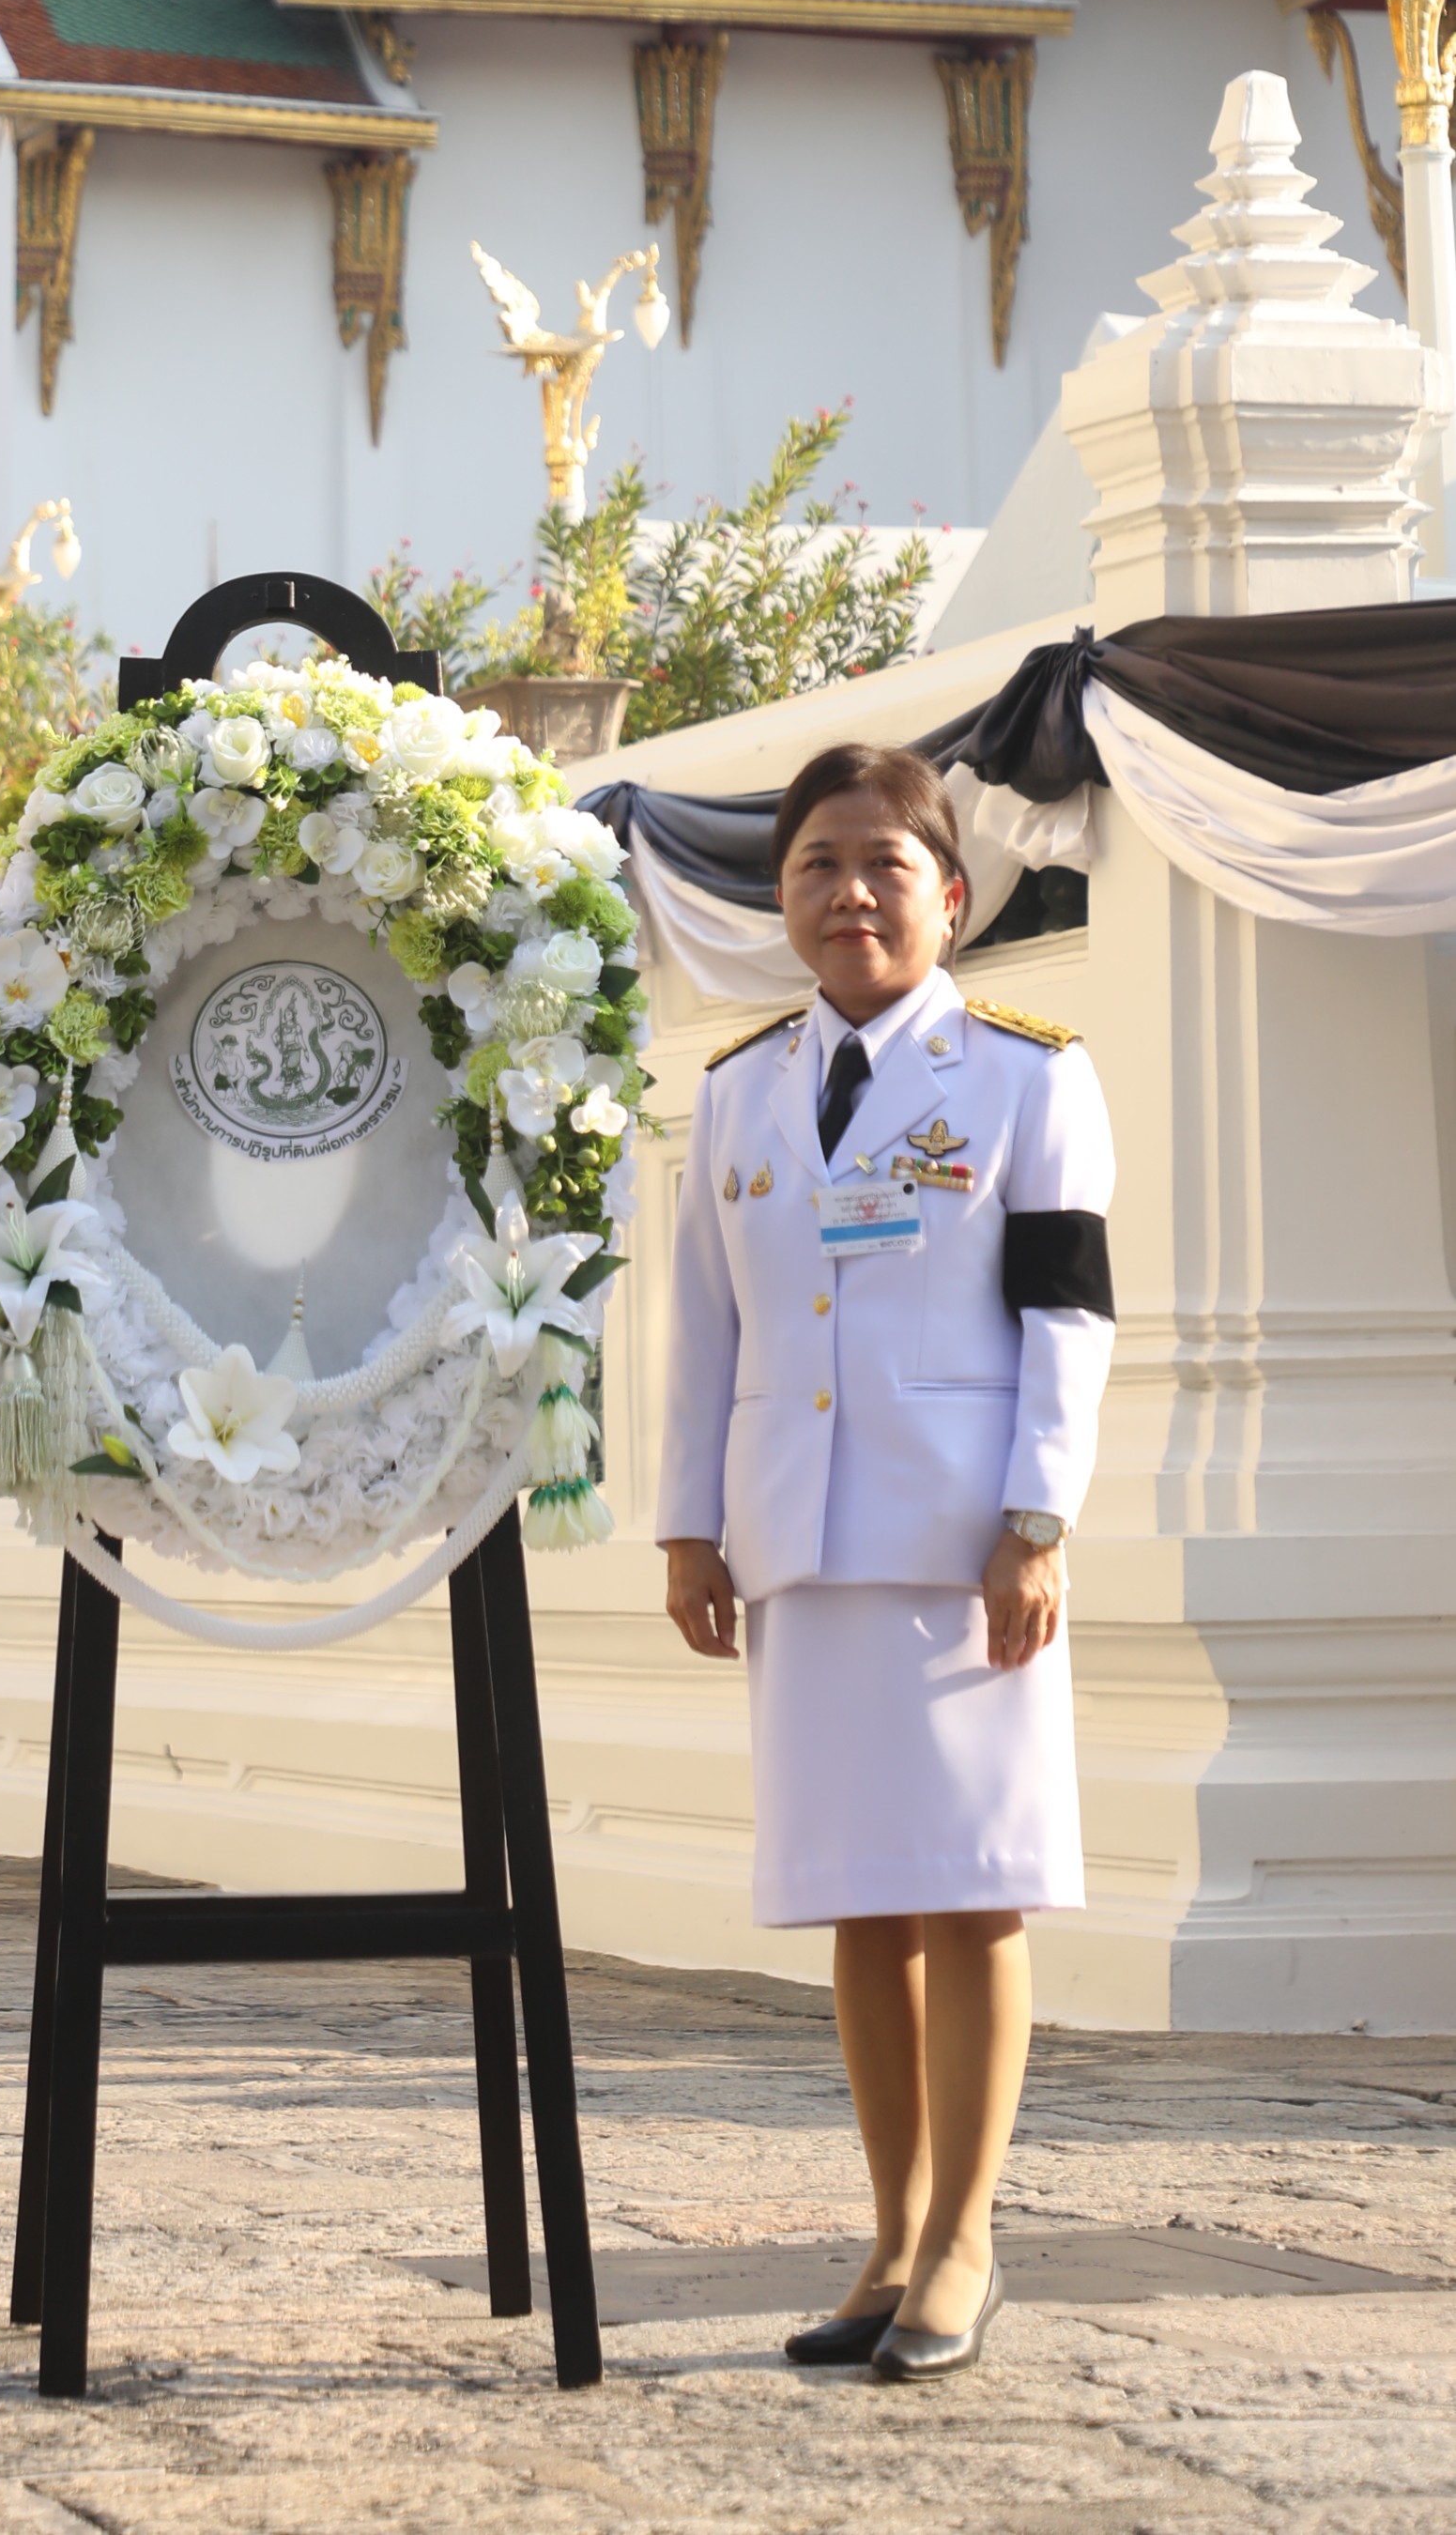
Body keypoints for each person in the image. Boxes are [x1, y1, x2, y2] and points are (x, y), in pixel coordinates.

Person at [657, 741, 1114, 2383]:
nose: (847, 893)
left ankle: (964, 2241)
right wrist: (685, 1524)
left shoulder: (1025, 1075)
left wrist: (1037, 1521)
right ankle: (887, 2226)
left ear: (950, 894)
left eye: (881, 865)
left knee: (971, 1891)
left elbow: (1068, 1314)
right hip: (800, 1540)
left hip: (960, 1544)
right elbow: (702, 1333)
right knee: (859, 1902)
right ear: (779, 897)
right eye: (814, 867)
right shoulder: (736, 1090)